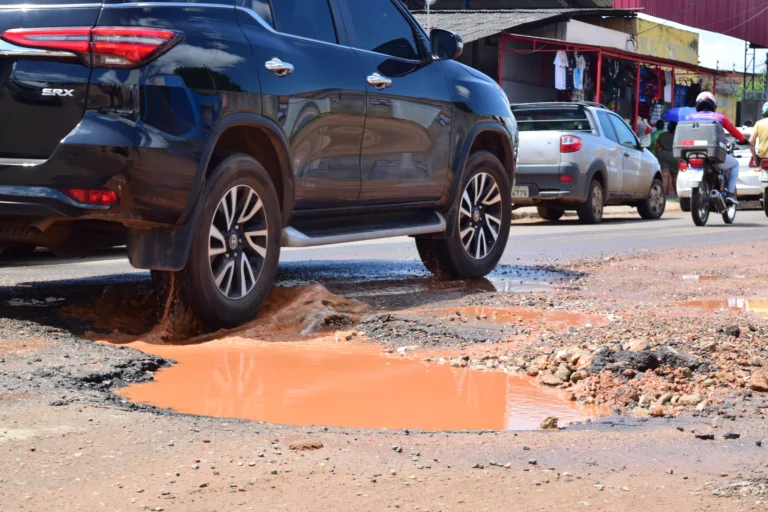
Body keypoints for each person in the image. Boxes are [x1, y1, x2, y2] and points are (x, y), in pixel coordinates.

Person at [686, 91, 746, 205]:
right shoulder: (719, 117)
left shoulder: (690, 117)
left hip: (693, 153)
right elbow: (734, 131)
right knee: (735, 164)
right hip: (713, 155)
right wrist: (744, 140)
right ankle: (730, 193)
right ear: (713, 105)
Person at [655, 122, 678, 196]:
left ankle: (662, 194)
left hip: (663, 155)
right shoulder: (678, 136)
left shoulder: (662, 135)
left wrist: (657, 155)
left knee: (664, 174)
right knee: (674, 176)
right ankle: (677, 194)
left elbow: (657, 147)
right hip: (673, 155)